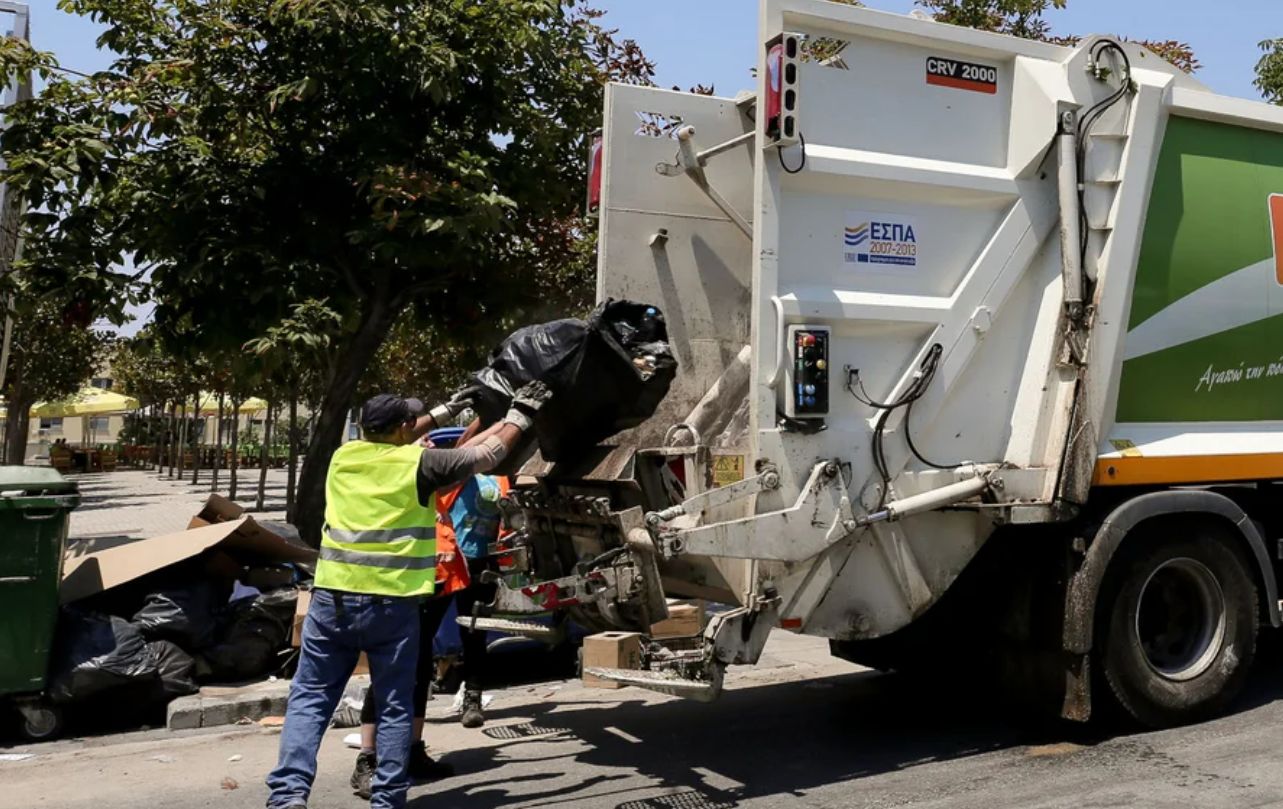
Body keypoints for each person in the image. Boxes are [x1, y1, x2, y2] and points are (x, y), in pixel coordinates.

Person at [264, 383, 551, 809]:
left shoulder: (344, 456)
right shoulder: (419, 464)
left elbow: (409, 431)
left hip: (332, 602)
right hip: (391, 606)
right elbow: (486, 455)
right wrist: (522, 413)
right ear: (403, 428)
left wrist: (449, 408)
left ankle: (287, 798)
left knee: (309, 700)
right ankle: (388, 799)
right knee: (395, 704)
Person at [347, 428, 483, 799]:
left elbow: (463, 453)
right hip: (405, 584)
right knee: (392, 669)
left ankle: (412, 749)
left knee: (420, 667)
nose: (427, 445)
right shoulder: (398, 473)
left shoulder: (419, 474)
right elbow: (463, 454)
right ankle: (368, 758)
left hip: (432, 581)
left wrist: (482, 417)